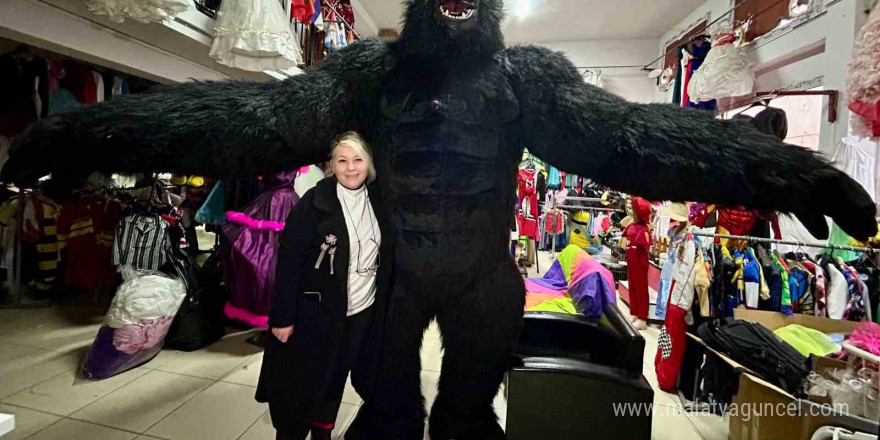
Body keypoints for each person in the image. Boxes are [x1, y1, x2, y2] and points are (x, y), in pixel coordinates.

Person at [255, 132, 391, 440]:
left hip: (361, 313)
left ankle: (323, 433)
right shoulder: (313, 204)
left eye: (358, 160)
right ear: (332, 164)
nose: (350, 168)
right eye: (342, 160)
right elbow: (289, 261)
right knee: (303, 385)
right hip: (317, 314)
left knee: (336, 379)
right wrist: (282, 317)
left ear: (369, 164)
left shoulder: (379, 203)